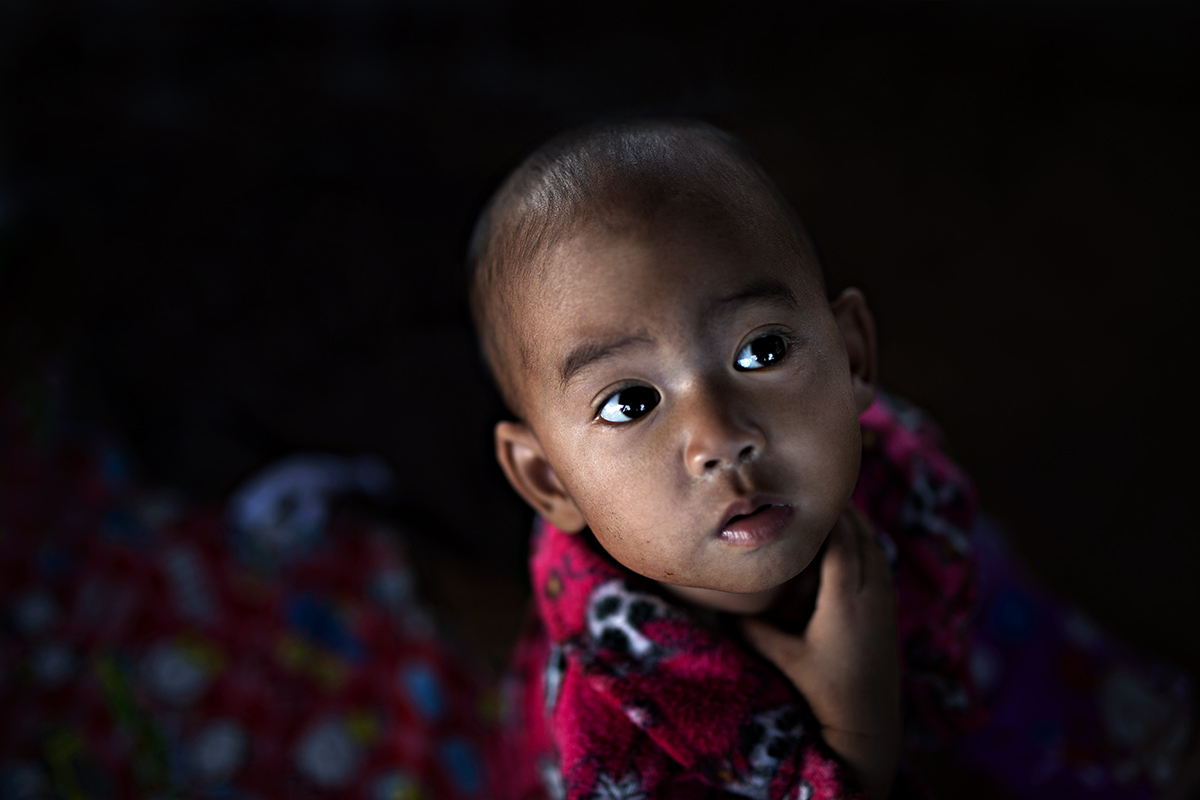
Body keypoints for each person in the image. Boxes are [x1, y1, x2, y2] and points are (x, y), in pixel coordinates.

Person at [465, 119, 1197, 800]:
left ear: (850, 358)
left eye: (762, 351)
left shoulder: (899, 479)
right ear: (548, 479)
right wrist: (857, 738)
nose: (721, 437)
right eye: (630, 402)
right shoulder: (608, 738)